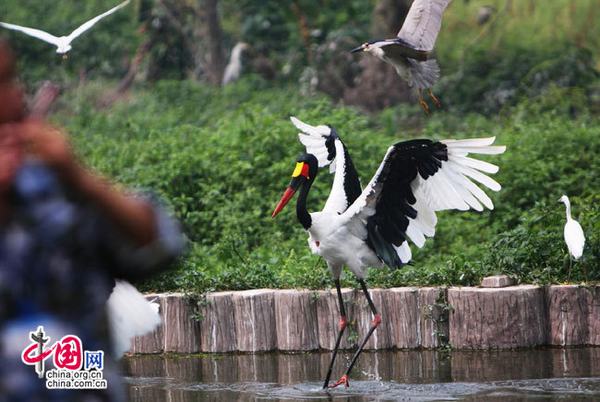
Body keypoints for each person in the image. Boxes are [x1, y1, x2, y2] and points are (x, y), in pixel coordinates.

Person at [0, 40, 184, 401]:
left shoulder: (60, 190)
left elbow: (158, 245)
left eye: (9, 79)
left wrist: (80, 177)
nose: (14, 95)